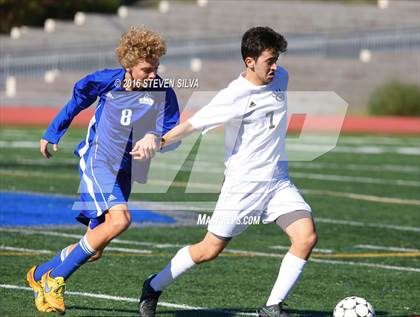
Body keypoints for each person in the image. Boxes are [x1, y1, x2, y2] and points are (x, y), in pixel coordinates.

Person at [134, 26, 318, 317]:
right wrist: (160, 140)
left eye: (276, 59)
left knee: (306, 237)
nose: (275, 66)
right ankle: (153, 285)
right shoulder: (234, 95)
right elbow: (193, 124)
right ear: (249, 61)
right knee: (208, 250)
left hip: (278, 183)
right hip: (243, 187)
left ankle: (271, 307)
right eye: (269, 60)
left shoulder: (281, 78)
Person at [26, 26, 180, 315]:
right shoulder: (106, 81)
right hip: (98, 160)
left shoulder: (162, 91)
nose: (153, 75)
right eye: (147, 69)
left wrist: (155, 139)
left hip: (125, 170)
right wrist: (52, 132)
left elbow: (172, 131)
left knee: (94, 249)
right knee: (120, 220)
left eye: (156, 67)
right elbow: (77, 100)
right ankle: (55, 280)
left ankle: (39, 274)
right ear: (128, 65)